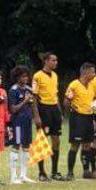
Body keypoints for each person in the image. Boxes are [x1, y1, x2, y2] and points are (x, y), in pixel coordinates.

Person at [31, 53, 63, 181]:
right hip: (43, 109)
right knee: (42, 140)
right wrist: (36, 116)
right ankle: (41, 172)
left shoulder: (55, 75)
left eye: (56, 60)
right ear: (46, 61)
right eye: (53, 60)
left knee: (56, 140)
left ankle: (54, 172)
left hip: (54, 109)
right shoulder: (37, 76)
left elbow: (56, 94)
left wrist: (59, 111)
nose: (55, 62)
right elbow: (34, 97)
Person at [64, 62, 96, 180]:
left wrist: (94, 115)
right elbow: (66, 101)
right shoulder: (74, 85)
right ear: (85, 72)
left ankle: (86, 171)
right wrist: (71, 110)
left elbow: (93, 101)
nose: (94, 74)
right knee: (75, 144)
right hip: (77, 118)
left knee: (87, 144)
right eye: (92, 72)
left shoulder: (92, 86)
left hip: (89, 117)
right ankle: (70, 172)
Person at [8, 66, 36, 184]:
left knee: (26, 146)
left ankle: (23, 175)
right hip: (17, 122)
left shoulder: (29, 89)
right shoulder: (13, 90)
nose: (26, 78)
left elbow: (32, 104)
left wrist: (35, 115)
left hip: (27, 121)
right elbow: (13, 109)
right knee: (16, 145)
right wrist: (25, 100)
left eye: (27, 76)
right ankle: (13, 176)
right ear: (17, 77)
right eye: (23, 76)